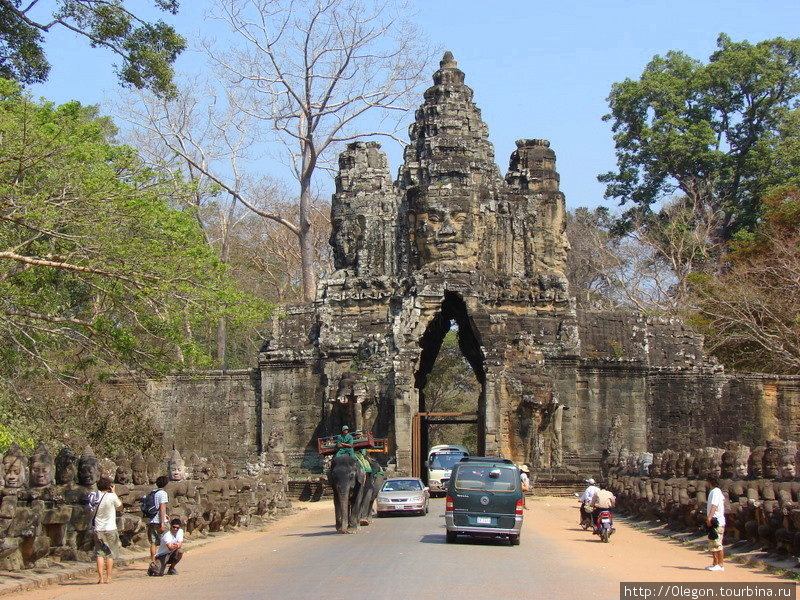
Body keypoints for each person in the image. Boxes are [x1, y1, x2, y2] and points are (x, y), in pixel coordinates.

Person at [88, 476, 123, 584]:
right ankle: (108, 577)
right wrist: (114, 493)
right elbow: (120, 507)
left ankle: (100, 578)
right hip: (110, 528)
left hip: (98, 529)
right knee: (110, 554)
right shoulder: (111, 497)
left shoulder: (94, 497)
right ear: (109, 486)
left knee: (99, 553)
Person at [705, 474, 726, 572]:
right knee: (712, 542)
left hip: (717, 521)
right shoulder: (713, 492)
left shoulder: (716, 492)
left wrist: (709, 517)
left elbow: (714, 506)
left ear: (710, 482)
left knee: (718, 543)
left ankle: (721, 564)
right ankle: (715, 563)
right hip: (713, 521)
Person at [147, 475, 169, 565]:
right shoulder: (163, 493)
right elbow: (162, 507)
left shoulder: (153, 492)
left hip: (151, 520)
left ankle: (153, 561)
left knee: (153, 542)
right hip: (159, 520)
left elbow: (155, 506)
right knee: (167, 540)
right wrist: (162, 522)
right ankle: (164, 561)